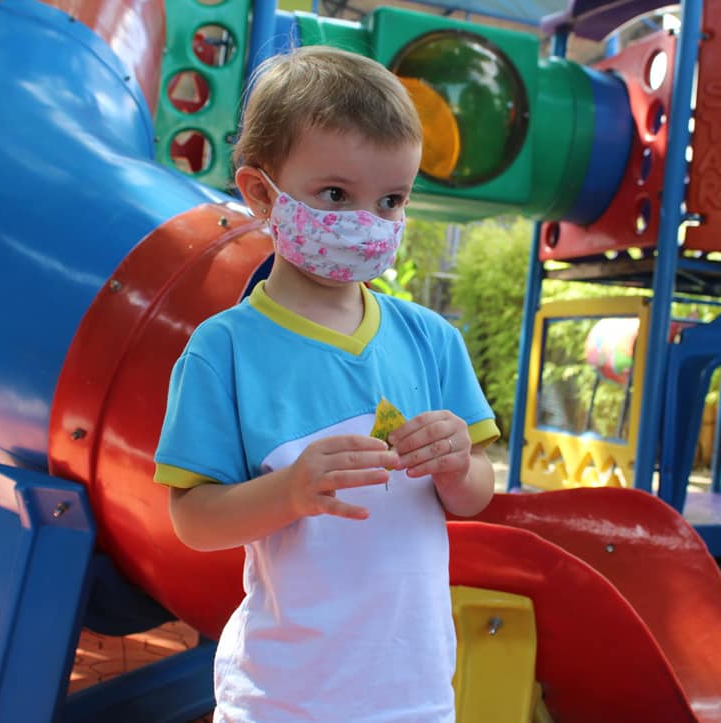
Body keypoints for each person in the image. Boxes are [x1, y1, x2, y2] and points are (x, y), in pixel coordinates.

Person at [154, 45, 500, 723]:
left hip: (416, 695)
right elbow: (192, 519)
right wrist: (288, 491)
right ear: (260, 193)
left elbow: (477, 494)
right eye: (336, 194)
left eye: (391, 199)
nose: (368, 221)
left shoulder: (432, 341)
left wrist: (462, 463)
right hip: (284, 699)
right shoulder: (222, 351)